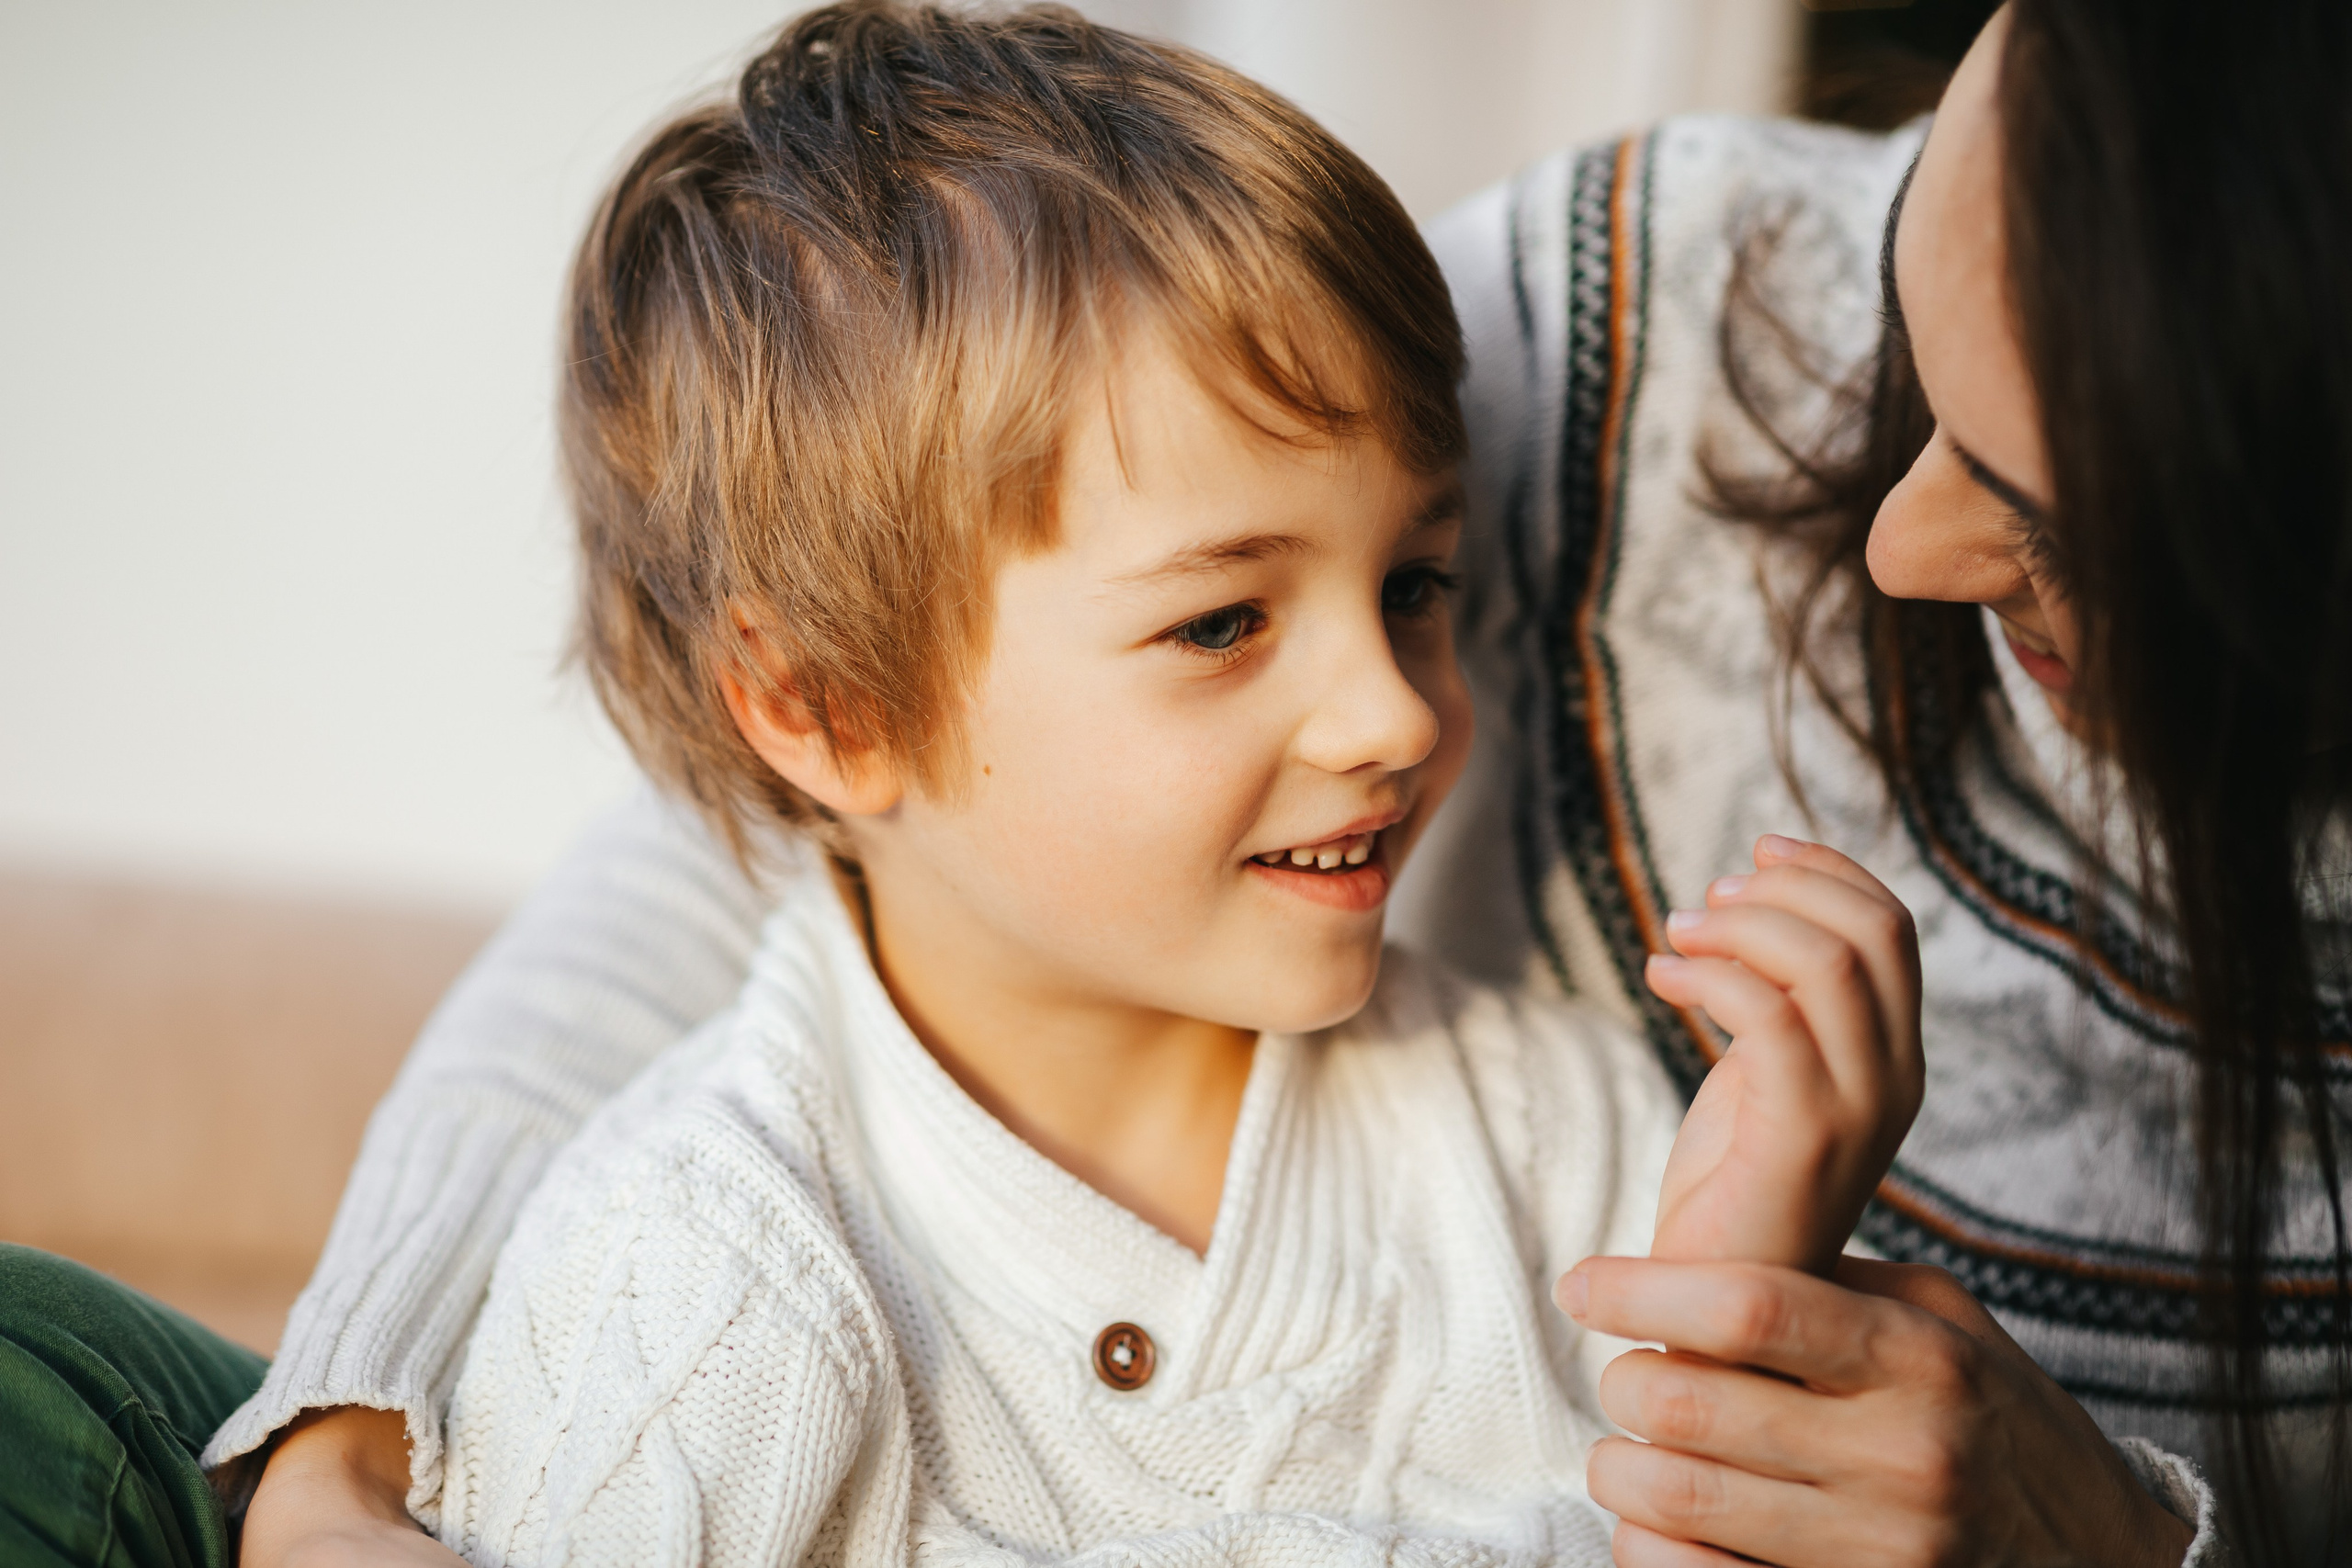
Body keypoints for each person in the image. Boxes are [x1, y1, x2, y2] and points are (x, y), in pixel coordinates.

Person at [2, 5, 1959, 1566]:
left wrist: (1740, 1285)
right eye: (1219, 624)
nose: (1390, 707)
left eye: (1417, 582)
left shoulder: (1545, 1115)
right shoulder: (693, 1272)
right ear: (825, 700)